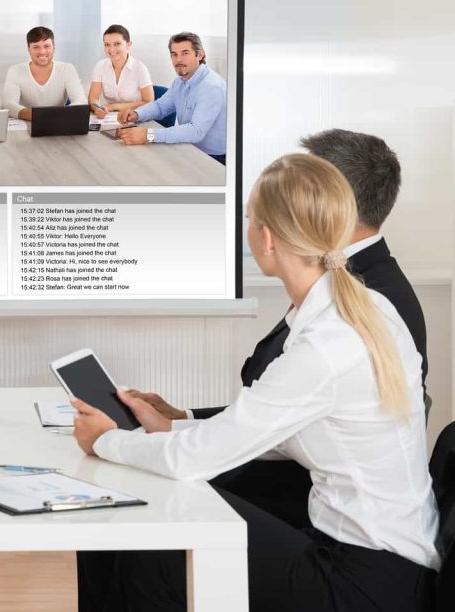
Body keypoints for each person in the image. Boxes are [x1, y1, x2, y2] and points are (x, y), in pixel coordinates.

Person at [74, 153, 439, 612]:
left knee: (160, 546)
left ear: (266, 239)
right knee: (155, 519)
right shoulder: (361, 310)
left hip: (361, 581)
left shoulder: (326, 346)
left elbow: (197, 460)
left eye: (248, 218)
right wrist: (169, 427)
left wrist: (106, 442)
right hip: (386, 564)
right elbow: (271, 432)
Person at [125, 128, 430, 528]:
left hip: (303, 506)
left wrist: (126, 440)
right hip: (294, 484)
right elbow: (284, 408)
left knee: (151, 518)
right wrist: (182, 420)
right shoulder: (346, 288)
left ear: (331, 203)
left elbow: (288, 415)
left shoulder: (360, 306)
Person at [116, 31, 227, 164]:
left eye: (185, 53)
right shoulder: (179, 81)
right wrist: (136, 114)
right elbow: (160, 107)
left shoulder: (211, 87)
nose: (178, 60)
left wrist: (149, 135)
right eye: (174, 54)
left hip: (212, 159)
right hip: (188, 148)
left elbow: (196, 131)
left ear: (200, 55)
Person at [2, 26, 87, 121]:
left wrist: (52, 116)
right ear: (29, 49)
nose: (42, 52)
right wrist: (42, 116)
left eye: (47, 46)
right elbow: (8, 104)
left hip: (59, 123)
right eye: (36, 47)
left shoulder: (67, 69)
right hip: (28, 123)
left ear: (54, 47)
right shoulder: (15, 70)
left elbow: (81, 101)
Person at [87, 24, 154, 119]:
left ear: (128, 44)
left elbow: (149, 102)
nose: (111, 49)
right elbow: (93, 98)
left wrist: (113, 107)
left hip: (135, 117)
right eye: (107, 44)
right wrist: (97, 109)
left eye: (117, 44)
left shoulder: (140, 68)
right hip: (110, 118)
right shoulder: (101, 66)